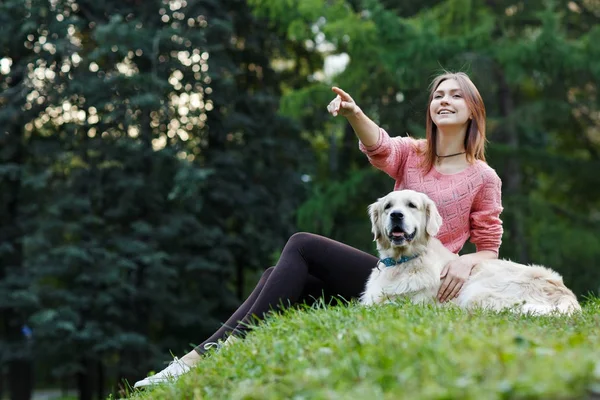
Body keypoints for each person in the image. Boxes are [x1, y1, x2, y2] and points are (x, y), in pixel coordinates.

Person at [133, 71, 503, 388]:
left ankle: (213, 352)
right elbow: (380, 145)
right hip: (388, 275)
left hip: (425, 281)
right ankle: (191, 362)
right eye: (438, 95)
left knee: (302, 245)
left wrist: (463, 262)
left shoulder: (483, 177)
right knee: (275, 276)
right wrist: (354, 113)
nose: (444, 100)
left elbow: (489, 245)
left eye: (456, 95)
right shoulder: (413, 153)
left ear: (473, 110)